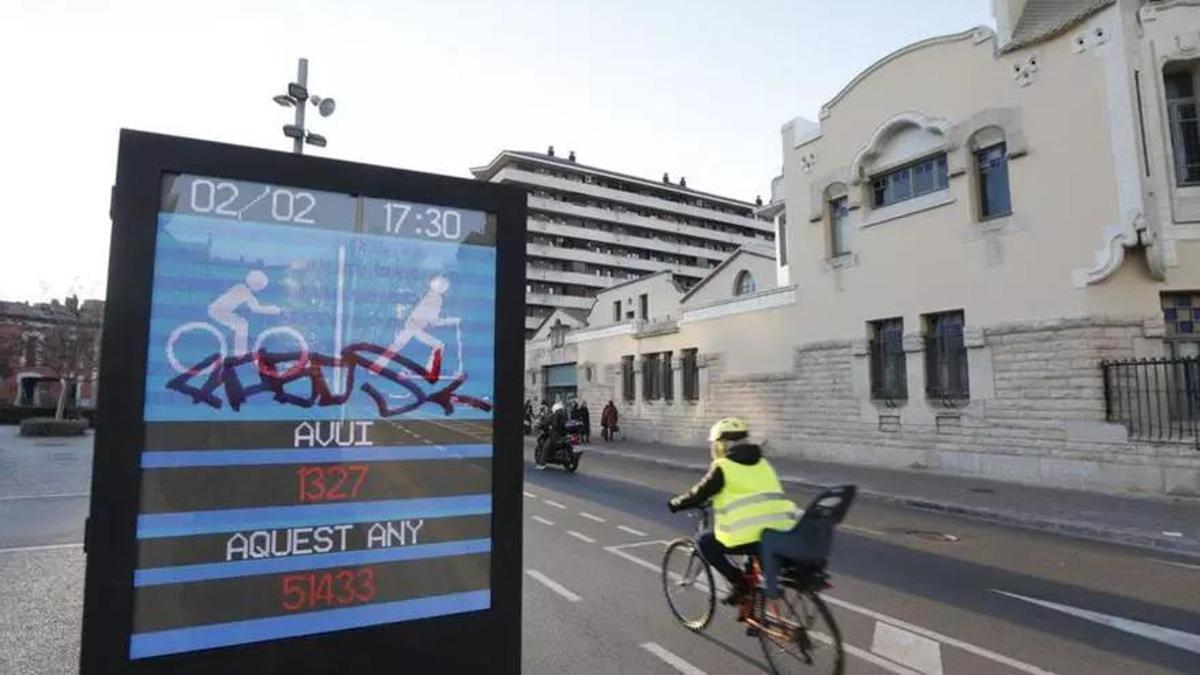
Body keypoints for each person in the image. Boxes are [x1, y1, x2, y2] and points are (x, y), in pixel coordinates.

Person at [667, 418, 798, 605]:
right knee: (754, 552)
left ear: (721, 446)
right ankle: (755, 597)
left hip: (746, 535)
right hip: (777, 531)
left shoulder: (723, 467)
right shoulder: (764, 464)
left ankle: (739, 584)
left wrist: (675, 503)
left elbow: (698, 494)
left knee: (704, 542)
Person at [207, 270, 282, 355]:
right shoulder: (245, 291)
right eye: (260, 287)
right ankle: (240, 352)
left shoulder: (243, 289)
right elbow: (256, 308)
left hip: (220, 311)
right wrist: (275, 310)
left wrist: (274, 310)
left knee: (241, 323)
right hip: (218, 311)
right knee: (242, 324)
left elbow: (256, 307)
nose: (260, 289)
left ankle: (239, 350)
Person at [536, 401, 568, 469]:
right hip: (564, 434)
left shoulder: (555, 415)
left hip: (556, 434)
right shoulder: (565, 414)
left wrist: (541, 425)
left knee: (546, 447)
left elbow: (546, 422)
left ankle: (542, 465)